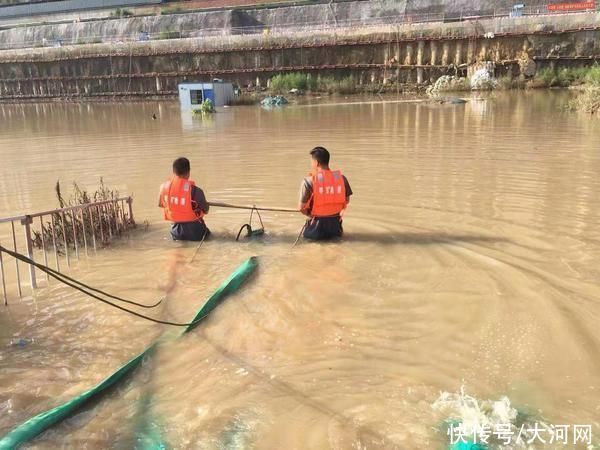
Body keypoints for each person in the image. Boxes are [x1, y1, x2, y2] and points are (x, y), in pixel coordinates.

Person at [298, 147, 352, 241]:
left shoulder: (308, 181)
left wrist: (311, 215)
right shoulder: (341, 179)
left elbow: (301, 208)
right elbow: (346, 201)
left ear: (316, 162)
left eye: (312, 161)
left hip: (315, 227)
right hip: (335, 227)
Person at [159, 157, 210, 241]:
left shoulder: (163, 187)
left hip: (175, 231)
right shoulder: (195, 191)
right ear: (188, 172)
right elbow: (206, 210)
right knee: (209, 237)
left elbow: (161, 205)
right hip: (195, 231)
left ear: (173, 172)